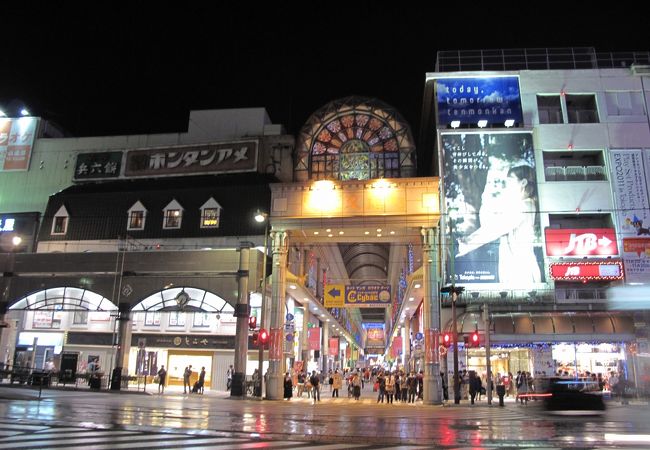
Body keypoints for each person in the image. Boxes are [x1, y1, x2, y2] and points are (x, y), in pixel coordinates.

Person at [456, 161, 541, 285]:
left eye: (510, 180)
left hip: (520, 272)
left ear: (523, 182)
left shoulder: (524, 206)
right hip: (519, 270)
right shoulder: (525, 205)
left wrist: (467, 243)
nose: (507, 185)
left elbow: (496, 228)